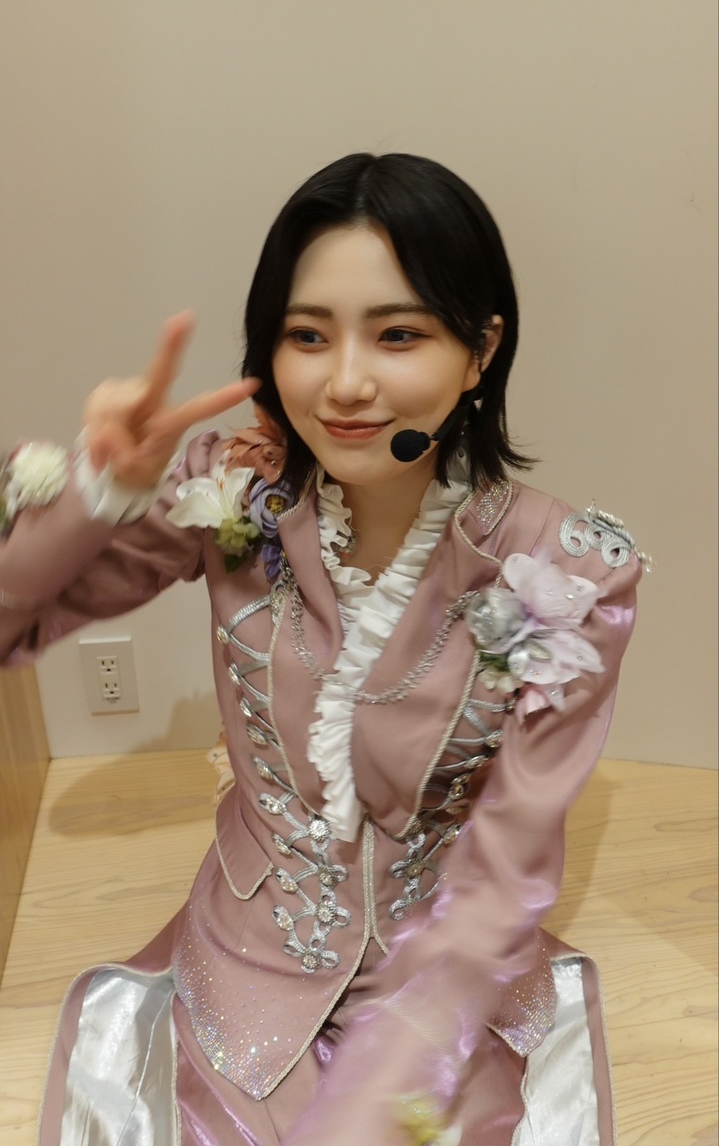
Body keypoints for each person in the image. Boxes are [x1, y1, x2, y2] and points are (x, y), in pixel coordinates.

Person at [0, 152, 646, 1146]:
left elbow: (511, 857)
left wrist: (378, 1096)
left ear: (479, 350)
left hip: (446, 979)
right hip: (249, 957)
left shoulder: (564, 570)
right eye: (307, 335)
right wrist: (100, 491)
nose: (344, 383)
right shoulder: (233, 495)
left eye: (399, 334)